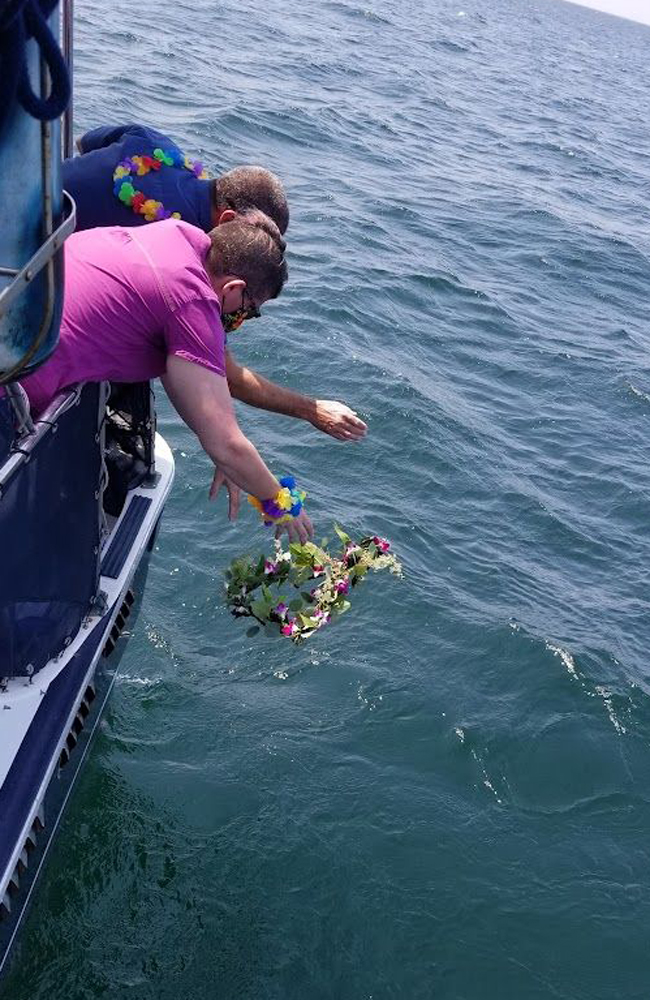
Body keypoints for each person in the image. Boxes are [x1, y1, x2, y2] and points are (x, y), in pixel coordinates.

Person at [63, 122, 367, 444]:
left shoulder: (156, 146)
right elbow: (228, 376)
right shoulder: (182, 266)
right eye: (256, 237)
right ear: (227, 220)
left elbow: (84, 144)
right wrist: (311, 409)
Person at [20, 213, 313, 541]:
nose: (240, 319)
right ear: (233, 288)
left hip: (16, 326)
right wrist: (281, 504)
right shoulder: (193, 300)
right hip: (14, 389)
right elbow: (226, 443)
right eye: (249, 310)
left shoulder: (176, 236)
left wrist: (227, 454)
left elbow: (203, 409)